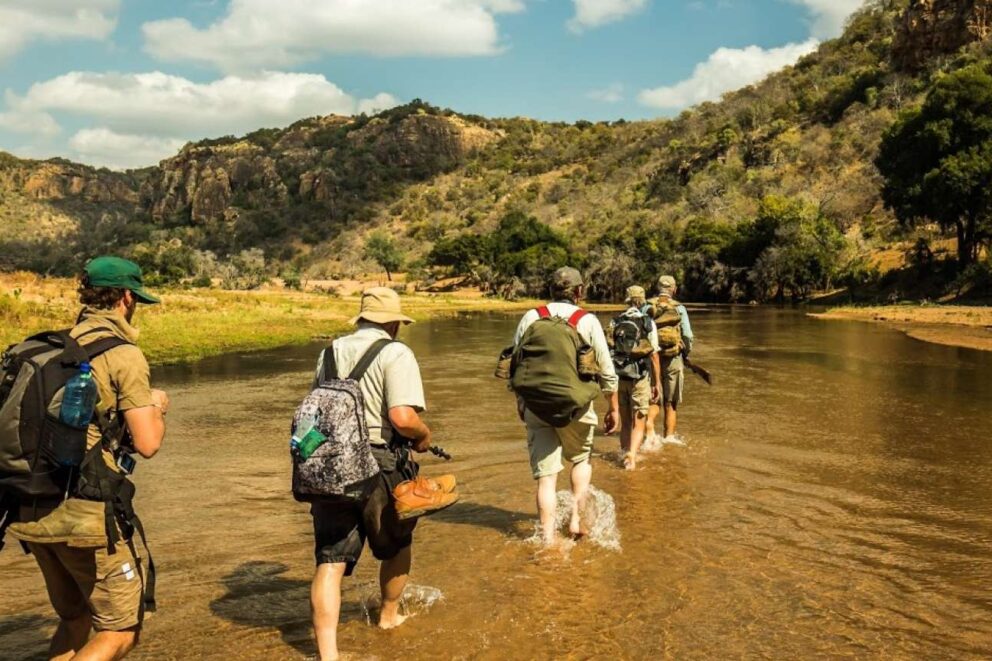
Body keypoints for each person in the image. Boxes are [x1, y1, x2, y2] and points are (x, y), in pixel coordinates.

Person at [8, 256, 168, 661]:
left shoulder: (50, 346)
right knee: (120, 631)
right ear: (126, 297)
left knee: (76, 620)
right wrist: (155, 406)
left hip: (29, 505)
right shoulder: (123, 354)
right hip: (83, 515)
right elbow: (148, 443)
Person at [308, 287, 456, 661]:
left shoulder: (329, 353)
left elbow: (315, 412)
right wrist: (424, 436)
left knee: (330, 562)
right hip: (379, 462)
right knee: (397, 545)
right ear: (394, 323)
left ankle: (329, 655)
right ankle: (388, 618)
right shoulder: (395, 353)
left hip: (329, 464)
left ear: (361, 319)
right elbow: (402, 418)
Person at [511, 267, 619, 545]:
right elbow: (606, 370)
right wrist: (613, 407)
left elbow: (516, 364)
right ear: (579, 291)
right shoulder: (587, 321)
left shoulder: (531, 317)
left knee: (546, 478)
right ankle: (576, 521)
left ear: (551, 289)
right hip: (577, 405)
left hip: (536, 405)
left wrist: (521, 401)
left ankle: (547, 539)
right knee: (581, 459)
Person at [608, 286, 661, 471]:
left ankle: (624, 455)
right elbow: (654, 355)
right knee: (639, 421)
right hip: (640, 377)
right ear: (643, 300)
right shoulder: (648, 322)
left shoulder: (615, 321)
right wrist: (657, 383)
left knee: (625, 422)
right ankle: (632, 454)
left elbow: (609, 351)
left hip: (620, 377)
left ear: (627, 300)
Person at [646, 275, 694, 443]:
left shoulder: (647, 306)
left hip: (651, 358)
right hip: (673, 358)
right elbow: (687, 335)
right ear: (674, 289)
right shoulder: (679, 308)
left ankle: (649, 429)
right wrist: (685, 353)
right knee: (670, 402)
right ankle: (669, 439)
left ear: (657, 288)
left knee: (653, 397)